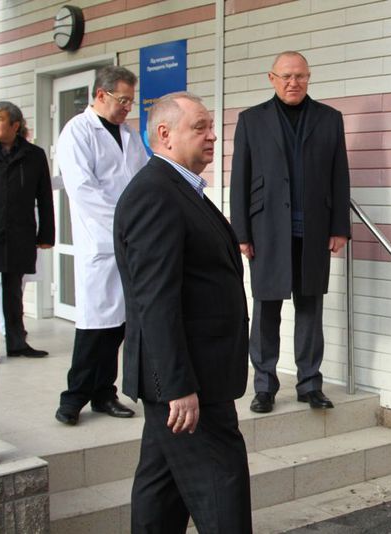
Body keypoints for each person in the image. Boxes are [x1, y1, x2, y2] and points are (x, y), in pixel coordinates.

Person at [115, 91, 252, 534]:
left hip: (195, 378)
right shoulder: (156, 194)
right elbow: (155, 300)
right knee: (223, 492)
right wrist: (177, 386)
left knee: (161, 496)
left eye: (212, 126)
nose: (213, 135)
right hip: (191, 386)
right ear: (164, 134)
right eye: (200, 127)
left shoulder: (180, 189)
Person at [230, 51, 351, 413]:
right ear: (271, 78)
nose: (292, 82)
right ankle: (264, 386)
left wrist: (339, 228)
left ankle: (309, 384)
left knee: (310, 309)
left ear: (309, 78)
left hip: (314, 231)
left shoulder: (330, 119)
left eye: (299, 76)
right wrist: (241, 232)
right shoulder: (251, 120)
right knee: (266, 310)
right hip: (266, 232)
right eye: (285, 76)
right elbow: (240, 178)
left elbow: (339, 175)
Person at [55, 65, 148, 425]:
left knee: (119, 323)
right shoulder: (77, 132)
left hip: (129, 240)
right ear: (100, 95)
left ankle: (104, 394)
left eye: (130, 101)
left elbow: (141, 181)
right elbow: (83, 190)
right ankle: (73, 397)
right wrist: (125, 223)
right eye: (122, 100)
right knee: (95, 325)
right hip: (100, 240)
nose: (127, 107)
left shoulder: (129, 135)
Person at [0, 101, 54, 364]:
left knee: (14, 290)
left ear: (16, 125)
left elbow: (45, 196)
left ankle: (17, 343)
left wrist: (46, 234)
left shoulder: (34, 155)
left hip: (20, 231)